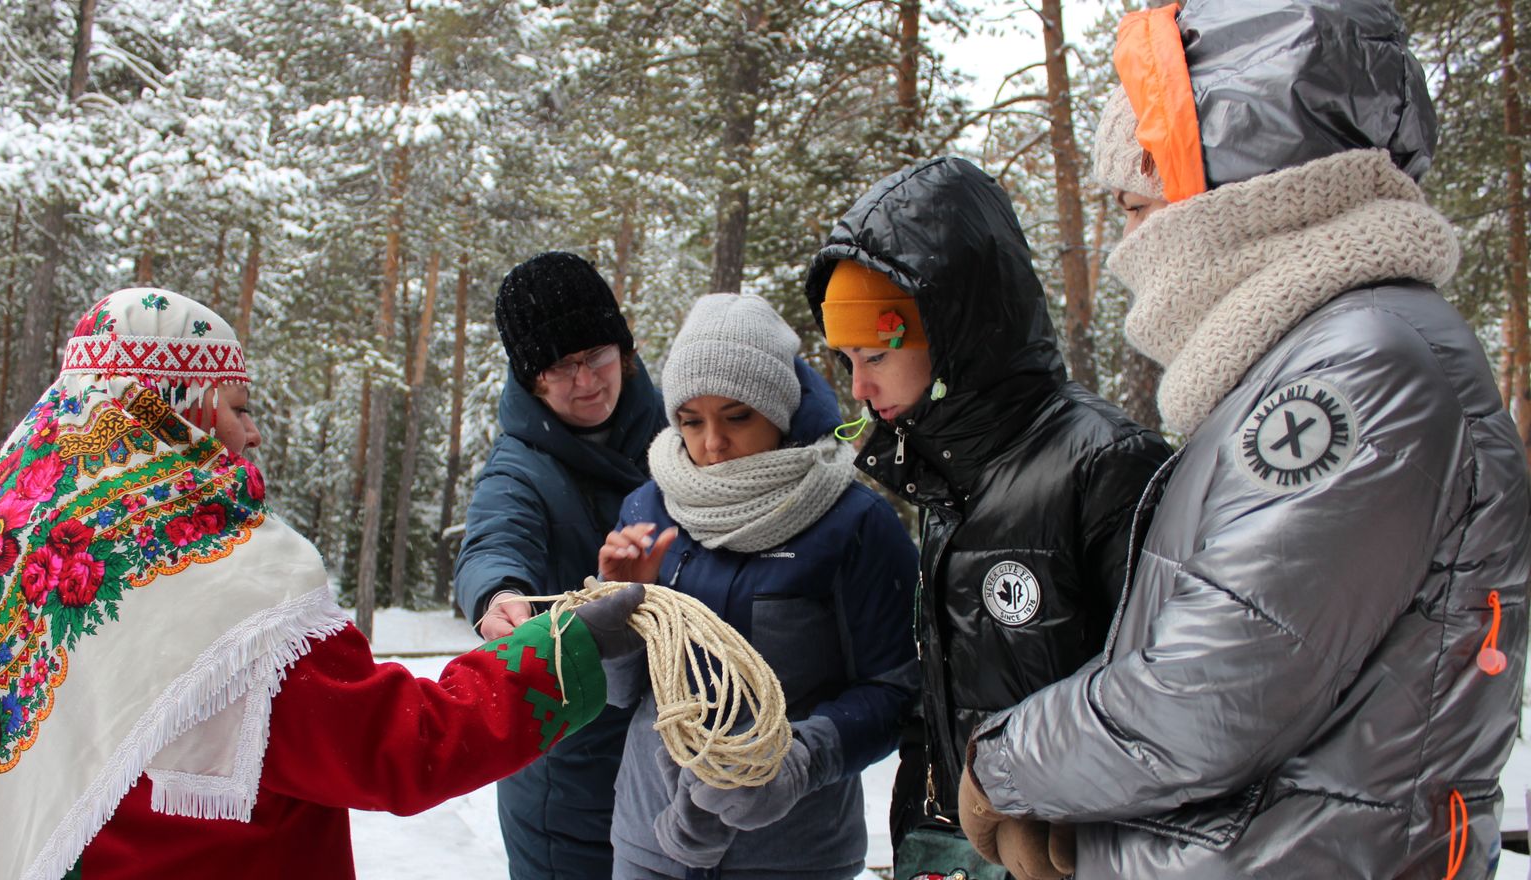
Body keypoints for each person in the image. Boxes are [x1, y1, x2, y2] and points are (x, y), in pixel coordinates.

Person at [958, 2, 1531, 878]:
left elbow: (1211, 699)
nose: (1124, 247)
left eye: (1138, 207)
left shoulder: (1359, 370)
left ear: (1232, 190)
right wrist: (1102, 827)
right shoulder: (1310, 358)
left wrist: (1005, 763)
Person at [0, 288, 646, 880]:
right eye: (238, 408)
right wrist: (562, 651)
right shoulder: (220, 596)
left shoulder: (2, 560)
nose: (252, 433)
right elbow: (401, 745)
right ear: (171, 412)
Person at [800, 156, 1173, 879]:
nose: (860, 385)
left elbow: (1170, 697)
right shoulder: (946, 475)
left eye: (876, 352)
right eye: (846, 359)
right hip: (950, 851)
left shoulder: (1105, 465)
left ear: (955, 332)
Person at [597, 292, 918, 880]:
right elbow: (621, 695)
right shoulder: (648, 508)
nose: (712, 443)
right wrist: (619, 610)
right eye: (690, 421)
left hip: (792, 856)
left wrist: (796, 761)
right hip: (650, 845)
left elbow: (898, 690)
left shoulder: (854, 524)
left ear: (780, 409)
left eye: (737, 415)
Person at [453, 251, 667, 879]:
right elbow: (495, 536)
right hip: (569, 776)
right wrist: (497, 594)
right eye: (558, 366)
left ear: (622, 349)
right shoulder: (522, 465)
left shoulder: (682, 432)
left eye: (596, 355)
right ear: (531, 378)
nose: (585, 381)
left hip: (674, 760)